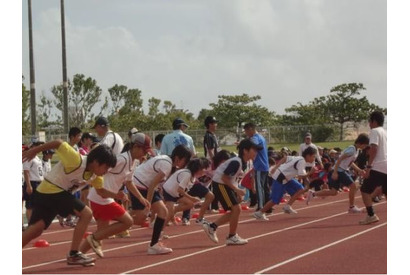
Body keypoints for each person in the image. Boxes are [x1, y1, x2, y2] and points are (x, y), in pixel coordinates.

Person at [22, 140, 117, 266]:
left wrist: (117, 195)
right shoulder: (76, 160)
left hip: (45, 193)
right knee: (86, 214)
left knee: (36, 229)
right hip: (52, 189)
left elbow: (101, 191)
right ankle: (74, 254)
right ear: (95, 161)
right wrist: (35, 150)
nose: (107, 171)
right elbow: (57, 142)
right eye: (106, 167)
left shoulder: (96, 176)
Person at [79, 133, 153, 258]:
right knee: (127, 222)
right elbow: (99, 169)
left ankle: (78, 254)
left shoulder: (133, 162)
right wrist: (114, 194)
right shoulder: (122, 160)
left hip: (104, 198)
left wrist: (141, 198)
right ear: (135, 146)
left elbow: (129, 182)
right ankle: (91, 241)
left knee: (100, 234)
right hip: (101, 197)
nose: (145, 154)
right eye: (144, 150)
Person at [130, 144, 192, 254]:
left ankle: (154, 245)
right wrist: (147, 206)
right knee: (140, 219)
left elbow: (154, 185)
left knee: (163, 212)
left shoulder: (168, 162)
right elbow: (152, 184)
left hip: (144, 185)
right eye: (184, 161)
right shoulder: (166, 164)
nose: (185, 164)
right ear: (177, 158)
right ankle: (119, 220)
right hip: (139, 184)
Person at [202, 139, 261, 245]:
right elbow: (224, 178)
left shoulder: (244, 163)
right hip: (220, 184)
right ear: (245, 151)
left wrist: (237, 191)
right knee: (236, 209)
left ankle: (212, 227)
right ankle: (231, 236)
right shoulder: (236, 162)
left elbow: (233, 178)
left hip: (225, 185)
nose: (256, 152)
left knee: (235, 211)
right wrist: (237, 190)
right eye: (254, 150)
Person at [306, 133, 370, 213]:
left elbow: (350, 163)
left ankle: (313, 194)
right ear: (361, 143)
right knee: (353, 186)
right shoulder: (352, 149)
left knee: (333, 192)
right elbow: (339, 159)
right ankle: (351, 207)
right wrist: (335, 172)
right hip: (339, 171)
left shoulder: (356, 151)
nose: (365, 147)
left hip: (340, 170)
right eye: (365, 145)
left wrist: (360, 170)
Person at [253, 147, 318, 221]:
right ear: (308, 155)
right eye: (313, 156)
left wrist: (276, 167)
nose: (314, 158)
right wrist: (310, 173)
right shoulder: (302, 162)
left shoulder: (299, 158)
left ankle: (287, 206)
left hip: (287, 177)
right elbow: (301, 176)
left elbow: (285, 158)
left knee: (301, 188)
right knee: (275, 200)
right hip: (280, 177)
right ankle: (259, 213)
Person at [162, 158, 211, 227]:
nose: (205, 171)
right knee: (169, 214)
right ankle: (160, 230)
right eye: (203, 169)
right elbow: (180, 190)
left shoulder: (193, 177)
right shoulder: (187, 174)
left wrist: (191, 199)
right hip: (169, 191)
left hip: (176, 193)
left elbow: (183, 190)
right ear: (198, 169)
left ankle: (172, 212)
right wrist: (192, 198)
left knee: (190, 204)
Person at [359, 111, 387, 225]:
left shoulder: (374, 131)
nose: (369, 124)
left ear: (374, 121)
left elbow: (374, 149)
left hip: (378, 166)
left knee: (364, 189)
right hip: (387, 165)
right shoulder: (385, 132)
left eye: (369, 121)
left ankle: (371, 215)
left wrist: (369, 167)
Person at [243, 123, 270, 212]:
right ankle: (268, 206)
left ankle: (261, 207)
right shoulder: (261, 137)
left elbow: (253, 145)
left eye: (246, 131)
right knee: (265, 187)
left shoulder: (255, 138)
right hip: (265, 164)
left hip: (259, 165)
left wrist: (243, 143)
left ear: (250, 129)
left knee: (259, 187)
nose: (246, 133)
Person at [22, 142, 44, 226]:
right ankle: (30, 223)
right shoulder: (29, 157)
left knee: (36, 204)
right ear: (34, 147)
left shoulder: (37, 158)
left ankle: (34, 222)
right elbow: (26, 172)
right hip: (32, 182)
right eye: (39, 147)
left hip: (38, 182)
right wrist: (28, 185)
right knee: (30, 205)